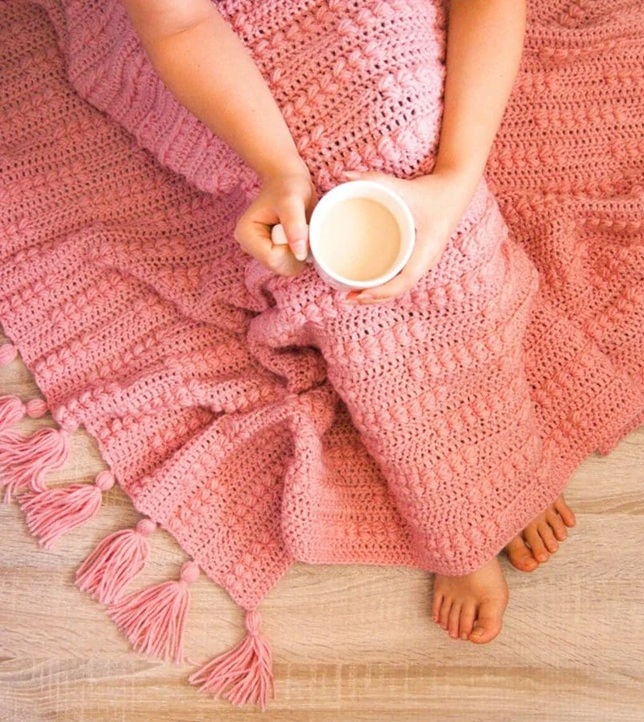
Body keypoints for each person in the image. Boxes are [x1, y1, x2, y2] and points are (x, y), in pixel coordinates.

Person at [122, 0, 576, 645]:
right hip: (224, 55)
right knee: (327, 239)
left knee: (403, 167)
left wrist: (454, 181)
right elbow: (180, 23)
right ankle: (468, 484)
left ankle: (482, 455)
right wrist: (279, 167)